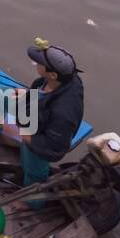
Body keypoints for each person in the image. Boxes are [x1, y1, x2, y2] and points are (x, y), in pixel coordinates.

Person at [20, 40, 85, 203]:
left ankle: (32, 205)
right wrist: (28, 95)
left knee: (35, 177)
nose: (35, 63)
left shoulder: (64, 113)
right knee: (25, 163)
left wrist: (20, 133)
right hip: (36, 124)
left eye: (39, 63)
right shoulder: (63, 79)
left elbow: (55, 147)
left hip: (40, 147)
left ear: (53, 75)